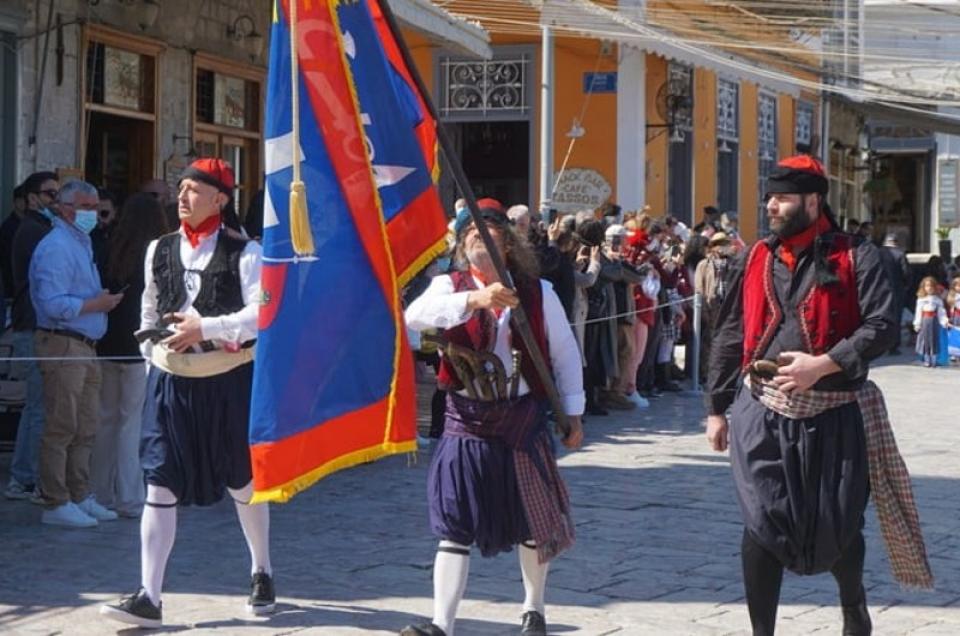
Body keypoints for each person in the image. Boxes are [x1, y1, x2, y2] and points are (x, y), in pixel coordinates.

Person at [705, 155, 932, 635]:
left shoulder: (858, 255)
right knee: (761, 522)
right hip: (762, 410)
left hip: (834, 411)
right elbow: (729, 332)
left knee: (839, 523)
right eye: (770, 197)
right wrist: (717, 408)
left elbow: (883, 326)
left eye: (782, 198)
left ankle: (853, 606)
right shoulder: (756, 256)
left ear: (812, 201)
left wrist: (823, 364)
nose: (771, 206)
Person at [100, 159, 274, 628]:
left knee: (242, 479)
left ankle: (261, 569)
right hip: (170, 380)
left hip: (227, 379)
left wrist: (207, 328)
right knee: (159, 479)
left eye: (194, 189)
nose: (182, 197)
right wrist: (151, 348)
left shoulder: (247, 252)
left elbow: (262, 315)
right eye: (180, 188)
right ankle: (149, 595)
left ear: (220, 198)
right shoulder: (158, 248)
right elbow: (149, 307)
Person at [401, 198, 584, 636]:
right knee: (454, 523)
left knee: (532, 520)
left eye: (488, 230)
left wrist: (574, 413)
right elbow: (413, 319)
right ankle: (442, 624)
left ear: (508, 243)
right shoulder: (448, 286)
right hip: (466, 420)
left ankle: (533, 611)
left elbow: (565, 354)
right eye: (469, 232)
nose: (477, 237)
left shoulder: (538, 292)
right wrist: (474, 299)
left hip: (521, 418)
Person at [30, 180, 123, 527]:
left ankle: (79, 494)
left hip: (85, 344)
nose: (92, 214)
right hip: (63, 342)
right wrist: (96, 304)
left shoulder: (80, 243)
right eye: (86, 207)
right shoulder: (55, 246)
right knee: (62, 425)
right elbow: (53, 304)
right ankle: (56, 500)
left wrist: (98, 301)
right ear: (65, 208)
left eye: (95, 207)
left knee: (85, 425)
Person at [90, 193, 172, 518]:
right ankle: (130, 496)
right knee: (132, 423)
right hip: (139, 346)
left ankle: (100, 493)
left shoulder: (111, 248)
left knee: (106, 420)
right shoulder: (159, 252)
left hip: (107, 343)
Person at [4, 172, 58, 501]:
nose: (55, 199)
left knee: (35, 406)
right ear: (33, 197)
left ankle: (23, 476)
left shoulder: (41, 228)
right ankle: (35, 478)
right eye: (49, 193)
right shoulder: (34, 231)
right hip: (34, 324)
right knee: (40, 407)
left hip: (34, 322)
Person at [878, 233, 911, 354]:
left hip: (879, 290)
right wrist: (906, 285)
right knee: (896, 318)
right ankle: (893, 345)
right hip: (896, 289)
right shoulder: (900, 254)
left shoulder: (877, 253)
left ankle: (879, 343)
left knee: (880, 317)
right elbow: (906, 273)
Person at [913, 276, 949, 368]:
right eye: (927, 286)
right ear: (924, 287)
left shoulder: (937, 300)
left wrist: (944, 321)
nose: (929, 288)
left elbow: (941, 312)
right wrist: (917, 323)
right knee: (925, 340)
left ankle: (934, 359)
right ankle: (926, 359)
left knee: (934, 340)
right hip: (925, 321)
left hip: (934, 322)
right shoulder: (921, 300)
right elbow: (918, 312)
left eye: (931, 286)